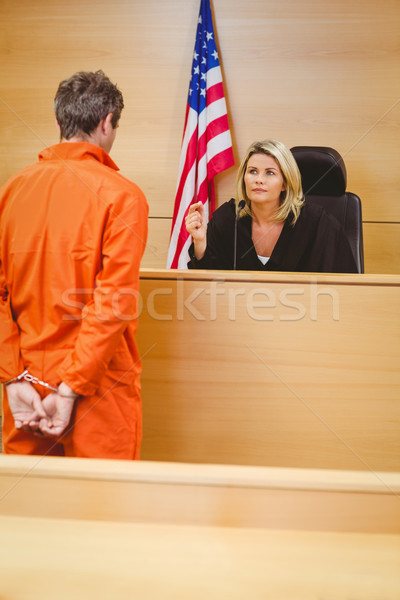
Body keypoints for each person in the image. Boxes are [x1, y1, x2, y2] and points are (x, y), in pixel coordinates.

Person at [0, 70, 148, 459]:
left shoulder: (12, 191)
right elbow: (113, 301)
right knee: (103, 509)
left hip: (25, 387)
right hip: (98, 388)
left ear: (59, 122)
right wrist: (71, 386)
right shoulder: (124, 196)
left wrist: (12, 377)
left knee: (27, 510)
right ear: (106, 123)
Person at [185, 139, 358, 272]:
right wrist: (200, 242)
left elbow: (344, 285)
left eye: (270, 173)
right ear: (244, 178)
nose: (259, 179)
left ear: (285, 183)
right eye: (253, 171)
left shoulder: (319, 224)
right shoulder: (229, 219)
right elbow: (207, 282)